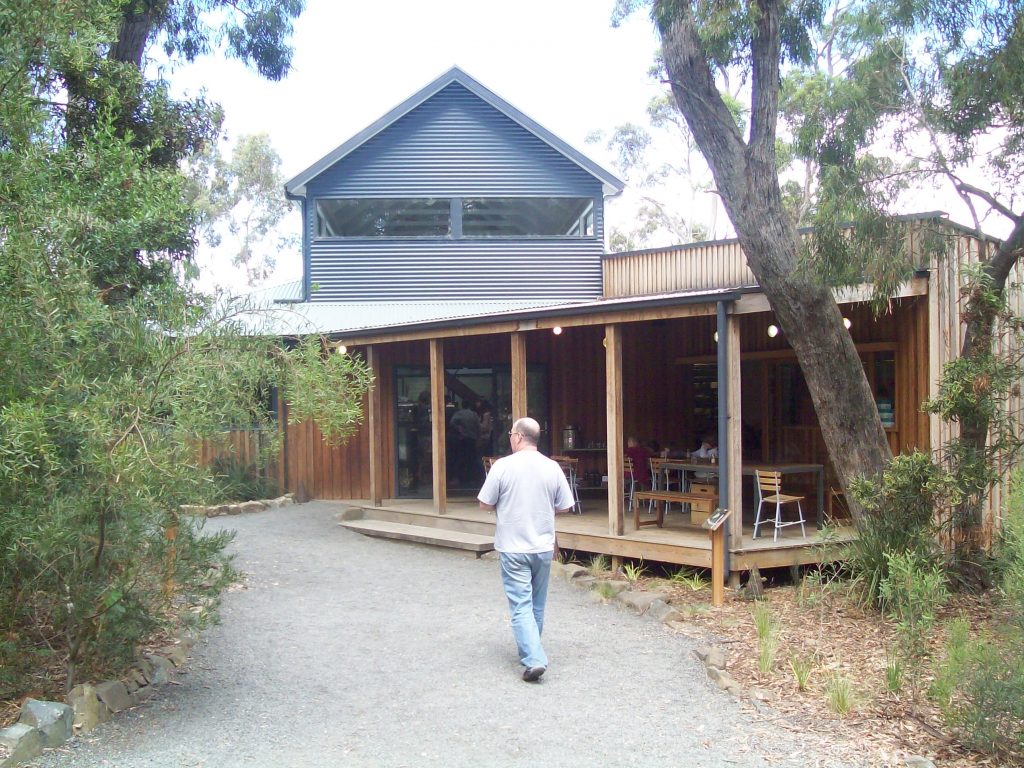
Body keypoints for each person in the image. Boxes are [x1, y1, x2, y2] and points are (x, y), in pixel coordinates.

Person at [478, 417, 574, 683]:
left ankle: (534, 659)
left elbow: (485, 503)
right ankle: (530, 651)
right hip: (543, 545)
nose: (510, 437)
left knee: (520, 604)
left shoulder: (502, 467)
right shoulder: (552, 467)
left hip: (512, 544)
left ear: (518, 437)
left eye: (511, 433)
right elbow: (565, 505)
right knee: (537, 604)